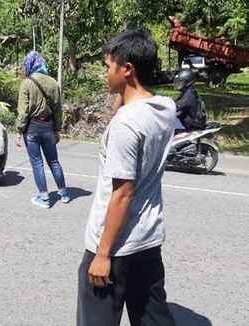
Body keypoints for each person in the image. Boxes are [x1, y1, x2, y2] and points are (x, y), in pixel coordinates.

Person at [77, 29, 176, 326]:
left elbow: (122, 193)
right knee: (152, 317)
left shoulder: (126, 124)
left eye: (108, 67)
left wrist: (103, 255)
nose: (104, 74)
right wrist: (122, 100)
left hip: (115, 245)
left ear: (127, 69)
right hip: (147, 239)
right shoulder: (165, 108)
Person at [15, 51, 70, 209]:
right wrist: (57, 129)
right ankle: (64, 193)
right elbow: (58, 110)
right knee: (54, 161)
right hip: (49, 128)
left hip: (32, 128)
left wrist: (19, 131)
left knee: (37, 164)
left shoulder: (26, 83)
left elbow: (23, 111)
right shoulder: (54, 83)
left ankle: (45, 198)